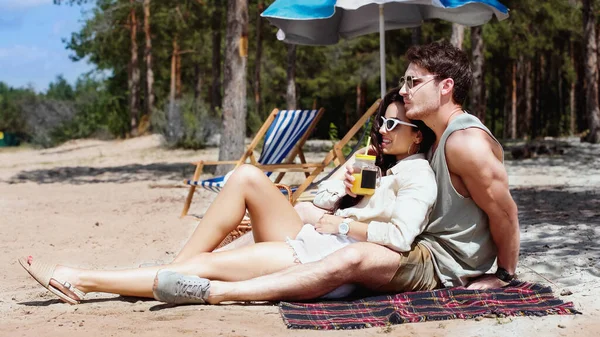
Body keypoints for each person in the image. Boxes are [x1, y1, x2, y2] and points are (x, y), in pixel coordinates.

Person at [148, 40, 520, 304]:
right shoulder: (432, 140)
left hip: (441, 262)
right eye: (404, 82)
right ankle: (189, 269)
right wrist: (357, 180)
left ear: (446, 87)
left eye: (413, 82)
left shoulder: (465, 143)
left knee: (349, 257)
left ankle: (214, 291)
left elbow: (505, 212)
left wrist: (503, 275)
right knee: (309, 213)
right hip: (422, 245)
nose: (404, 91)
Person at [19, 90, 437, 305]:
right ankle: (172, 267)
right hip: (311, 236)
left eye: (394, 124)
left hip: (319, 257)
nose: (383, 128)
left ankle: (80, 279)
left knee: (202, 269)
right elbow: (309, 206)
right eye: (381, 120)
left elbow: (400, 236)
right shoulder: (370, 164)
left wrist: (341, 223)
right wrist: (338, 193)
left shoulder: (417, 173)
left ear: (417, 135)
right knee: (247, 176)